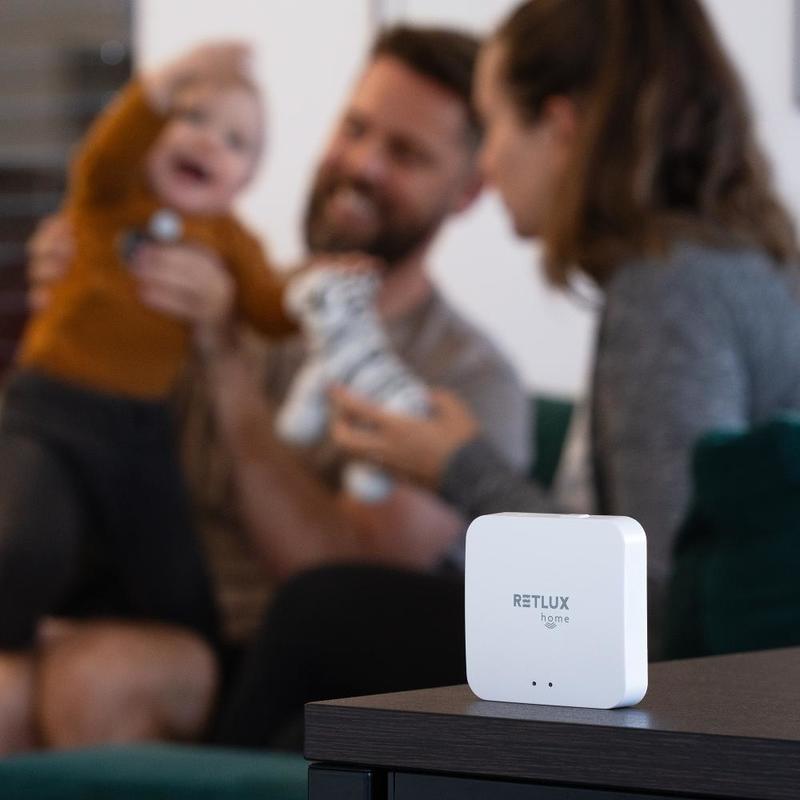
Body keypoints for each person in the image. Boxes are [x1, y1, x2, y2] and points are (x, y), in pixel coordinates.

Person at [2, 25, 531, 751]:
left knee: (97, 678)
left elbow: (336, 594)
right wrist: (76, 297)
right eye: (355, 129)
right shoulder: (215, 280)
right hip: (120, 597)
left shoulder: (466, 378)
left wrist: (226, 361)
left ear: (468, 190)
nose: (363, 165)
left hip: (265, 667)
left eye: (406, 154)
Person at [331, 0, 800, 660]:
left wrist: (461, 468)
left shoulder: (667, 291)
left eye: (493, 125)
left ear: (560, 128)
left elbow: (657, 599)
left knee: (327, 612)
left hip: (709, 703)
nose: (486, 163)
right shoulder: (738, 264)